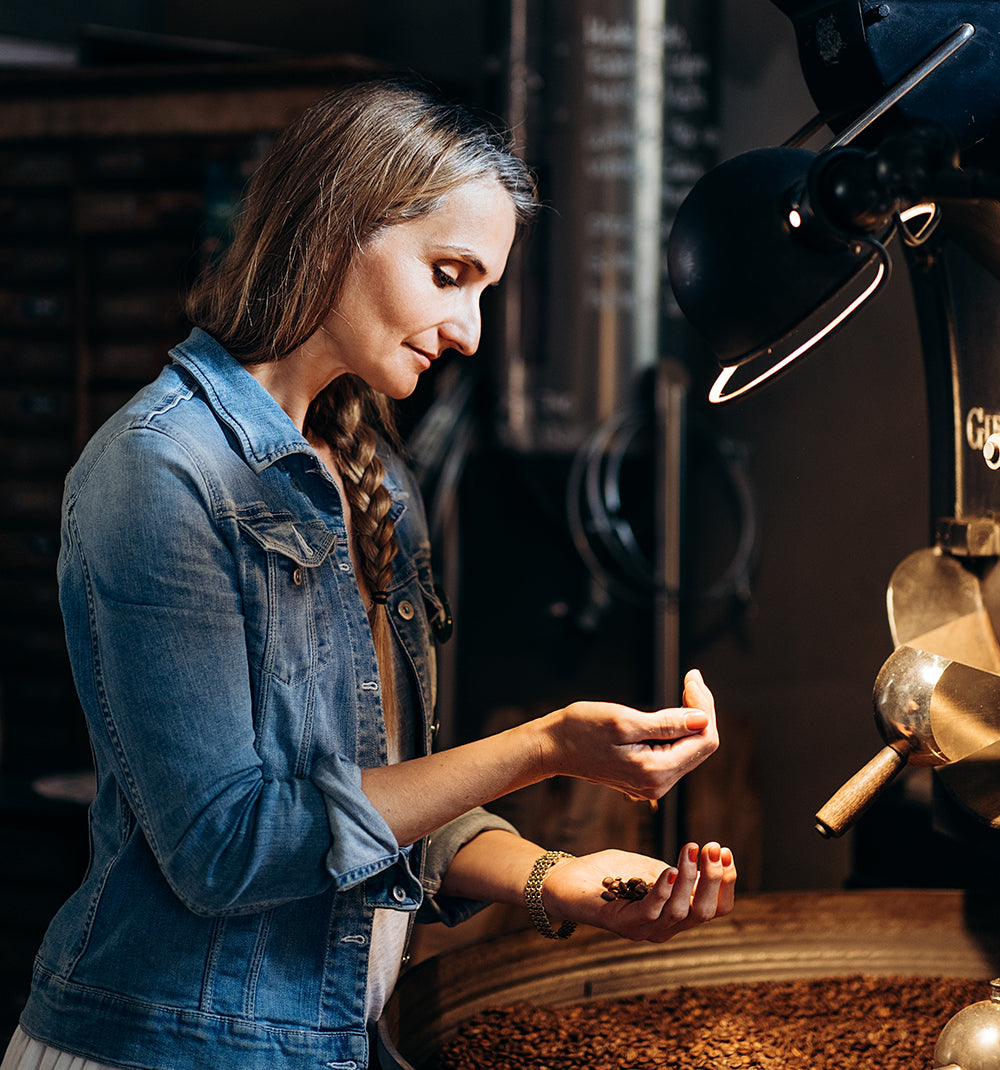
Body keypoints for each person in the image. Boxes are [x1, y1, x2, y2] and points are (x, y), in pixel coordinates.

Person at [2, 77, 736, 1070]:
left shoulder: (375, 472)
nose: (471, 330)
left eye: (484, 288)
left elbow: (377, 795)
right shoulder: (159, 469)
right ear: (336, 231)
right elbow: (228, 847)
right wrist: (547, 745)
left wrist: (560, 878)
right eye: (448, 274)